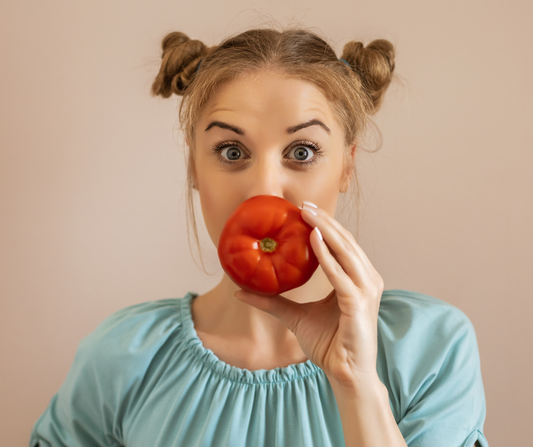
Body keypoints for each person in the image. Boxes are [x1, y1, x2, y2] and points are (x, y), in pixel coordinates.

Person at [30, 27, 488, 447]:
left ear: (346, 166)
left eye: (302, 152)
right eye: (232, 151)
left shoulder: (430, 350)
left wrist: (356, 383)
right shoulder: (122, 356)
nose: (264, 189)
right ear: (194, 167)